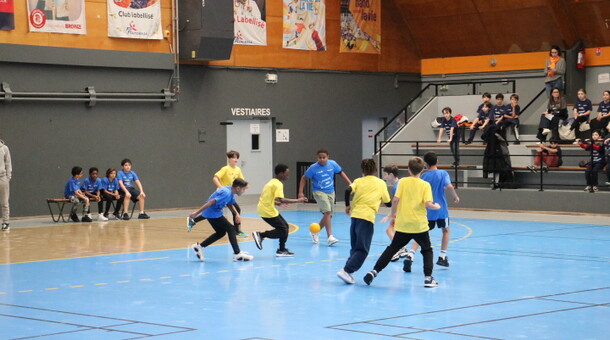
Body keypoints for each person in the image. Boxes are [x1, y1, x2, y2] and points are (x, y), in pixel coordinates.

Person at [363, 157, 441, 287]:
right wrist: (436, 206)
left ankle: (374, 271)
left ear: (409, 169)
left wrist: (392, 215)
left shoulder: (403, 182)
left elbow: (395, 200)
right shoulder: (425, 185)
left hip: (403, 224)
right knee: (427, 250)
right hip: (419, 226)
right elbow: (428, 203)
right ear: (422, 170)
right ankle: (428, 278)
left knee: (392, 249)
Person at [337, 159, 391, 284]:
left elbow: (347, 191)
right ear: (376, 169)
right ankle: (346, 270)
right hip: (367, 217)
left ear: (362, 170)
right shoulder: (380, 183)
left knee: (355, 247)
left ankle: (348, 272)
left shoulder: (358, 181)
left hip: (355, 216)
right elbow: (388, 202)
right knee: (363, 249)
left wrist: (347, 206)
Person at [404, 152, 459, 271]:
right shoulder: (443, 173)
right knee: (446, 230)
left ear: (425, 164)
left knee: (422, 234)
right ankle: (442, 256)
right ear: (437, 161)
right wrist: (455, 196)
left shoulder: (423, 175)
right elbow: (449, 186)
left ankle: (410, 254)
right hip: (441, 209)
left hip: (427, 210)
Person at [187, 178, 253, 262]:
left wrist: (236, 214)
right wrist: (196, 213)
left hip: (214, 213)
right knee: (231, 229)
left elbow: (230, 203)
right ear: (238, 188)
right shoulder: (226, 193)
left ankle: (198, 246)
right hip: (212, 213)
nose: (244, 191)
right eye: (243, 189)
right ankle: (237, 254)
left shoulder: (231, 191)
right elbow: (210, 202)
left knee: (220, 233)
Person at [252, 164, 308, 257]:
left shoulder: (270, 182)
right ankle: (261, 235)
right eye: (286, 174)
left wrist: (277, 204)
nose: (287, 176)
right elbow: (282, 199)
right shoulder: (278, 184)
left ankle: (281, 250)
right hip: (267, 211)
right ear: (281, 174)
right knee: (283, 230)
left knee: (285, 227)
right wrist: (298, 200)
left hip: (265, 208)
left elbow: (268, 197)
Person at [298, 148, 352, 246]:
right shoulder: (313, 168)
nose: (322, 159)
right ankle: (330, 237)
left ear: (328, 157)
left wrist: (350, 183)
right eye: (320, 158)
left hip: (330, 191)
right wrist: (301, 192)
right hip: (318, 191)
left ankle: (315, 231)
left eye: (324, 157)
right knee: (327, 212)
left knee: (329, 215)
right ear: (317, 158)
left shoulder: (333, 164)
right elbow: (304, 178)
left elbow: (341, 172)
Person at [213, 150, 248, 237]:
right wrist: (221, 188)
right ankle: (237, 230)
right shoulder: (225, 169)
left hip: (230, 195)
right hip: (222, 194)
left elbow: (241, 180)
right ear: (228, 159)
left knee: (214, 210)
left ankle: (194, 220)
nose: (235, 159)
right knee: (214, 210)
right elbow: (215, 178)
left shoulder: (238, 169)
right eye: (233, 157)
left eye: (237, 158)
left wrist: (245, 185)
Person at [379, 165, 408, 261]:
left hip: (401, 213)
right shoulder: (401, 183)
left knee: (389, 230)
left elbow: (397, 202)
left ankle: (399, 249)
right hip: (404, 212)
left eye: (386, 175)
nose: (385, 177)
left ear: (391, 175)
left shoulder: (396, 187)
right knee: (395, 232)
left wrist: (391, 215)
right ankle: (400, 249)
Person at [0, 139, 11, 231]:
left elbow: (8, 163)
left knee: (4, 202)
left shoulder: (4, 148)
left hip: (2, 178)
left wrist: (8, 177)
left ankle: (6, 222)